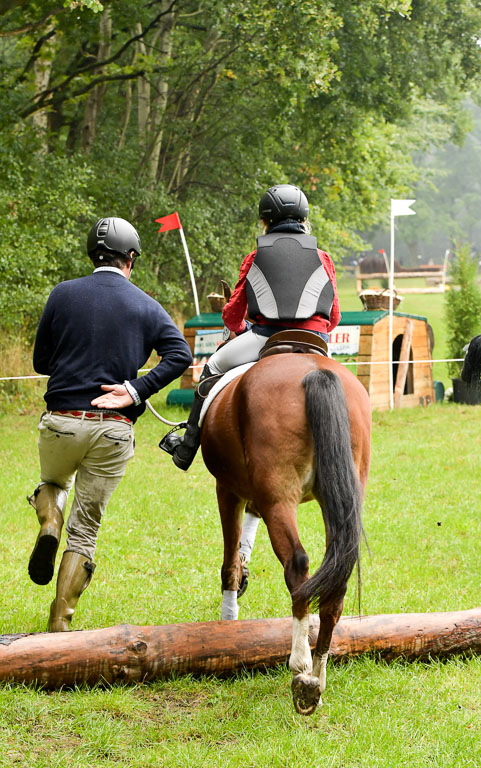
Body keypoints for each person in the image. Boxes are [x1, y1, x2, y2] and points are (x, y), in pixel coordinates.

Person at [29, 216, 193, 632]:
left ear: (93, 254)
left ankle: (50, 521)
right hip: (113, 431)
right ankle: (59, 625)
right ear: (130, 258)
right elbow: (180, 355)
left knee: (53, 484)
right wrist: (136, 390)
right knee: (85, 531)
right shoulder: (145, 304)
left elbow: (41, 361)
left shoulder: (62, 293)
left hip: (62, 423)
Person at [160, 183, 341, 471]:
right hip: (315, 340)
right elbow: (335, 317)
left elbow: (232, 316)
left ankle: (186, 447)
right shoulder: (324, 257)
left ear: (265, 221)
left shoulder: (255, 257)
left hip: (266, 338)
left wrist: (243, 326)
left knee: (212, 367)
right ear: (304, 219)